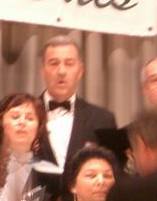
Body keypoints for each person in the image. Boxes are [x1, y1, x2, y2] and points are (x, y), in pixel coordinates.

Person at [38, 35, 116, 171]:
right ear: (43, 71)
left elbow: (113, 171)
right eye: (54, 63)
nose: (61, 71)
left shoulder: (103, 120)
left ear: (80, 71)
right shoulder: (24, 115)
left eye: (69, 63)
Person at [0, 92, 50, 201]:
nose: (22, 122)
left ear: (39, 127)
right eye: (15, 117)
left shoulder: (46, 172)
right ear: (0, 122)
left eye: (30, 118)